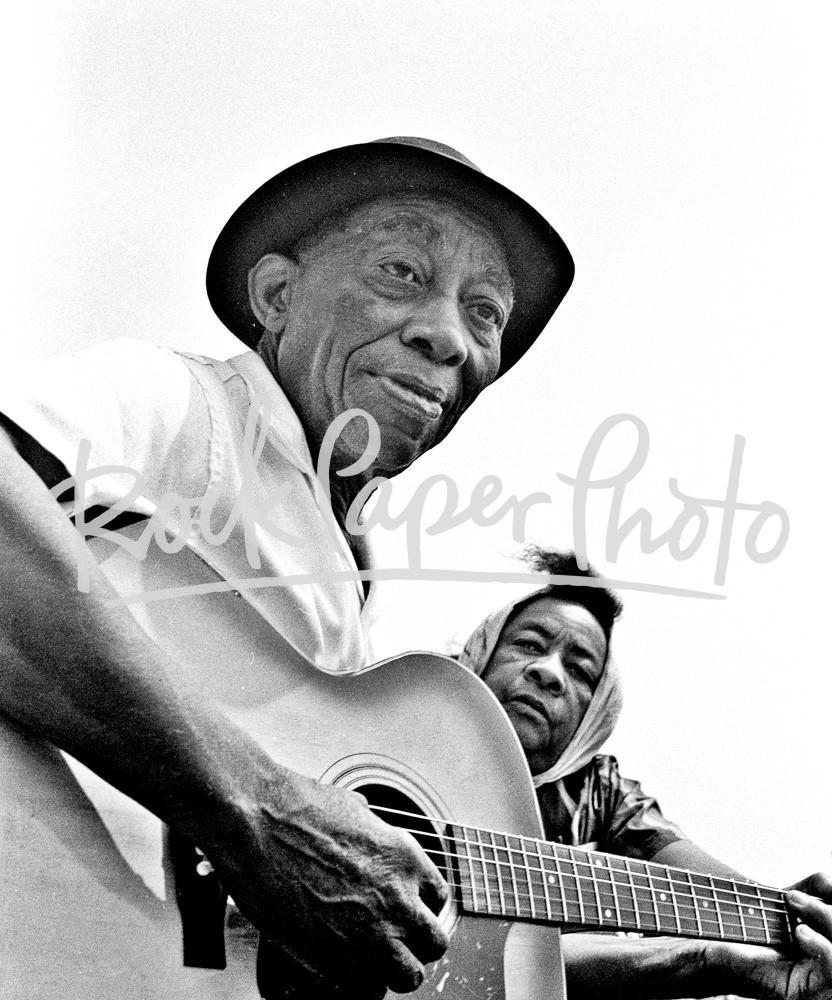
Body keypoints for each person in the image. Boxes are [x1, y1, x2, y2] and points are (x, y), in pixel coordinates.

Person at [0, 138, 573, 999]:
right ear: (277, 294)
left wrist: (714, 950)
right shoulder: (181, 404)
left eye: (485, 312)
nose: (450, 337)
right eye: (401, 270)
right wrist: (255, 807)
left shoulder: (349, 571)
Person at [458, 546, 832, 999]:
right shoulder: (394, 716)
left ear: (595, 715)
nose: (547, 671)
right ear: (482, 652)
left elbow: (714, 888)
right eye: (529, 644)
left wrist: (793, 916)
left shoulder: (603, 794)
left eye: (579, 669)